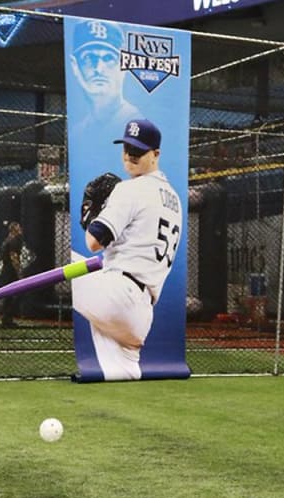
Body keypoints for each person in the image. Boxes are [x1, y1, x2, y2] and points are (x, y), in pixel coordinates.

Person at [74, 119, 183, 380]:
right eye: (127, 148)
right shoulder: (174, 199)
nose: (130, 155)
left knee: (59, 267)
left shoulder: (130, 189)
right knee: (121, 378)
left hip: (117, 294)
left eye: (138, 150)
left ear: (156, 154)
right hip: (140, 315)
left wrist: (90, 215)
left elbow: (93, 242)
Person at [68, 19, 141, 143]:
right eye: (89, 58)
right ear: (75, 66)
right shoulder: (77, 132)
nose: (99, 69)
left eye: (108, 58)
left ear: (124, 65)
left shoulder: (139, 125)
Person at [0, 222, 23, 328]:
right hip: (10, 270)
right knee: (12, 295)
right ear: (14, 230)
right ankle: (7, 318)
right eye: (18, 228)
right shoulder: (14, 241)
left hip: (6, 269)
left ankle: (6, 318)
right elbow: (14, 257)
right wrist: (18, 271)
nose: (20, 229)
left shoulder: (7, 240)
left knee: (9, 295)